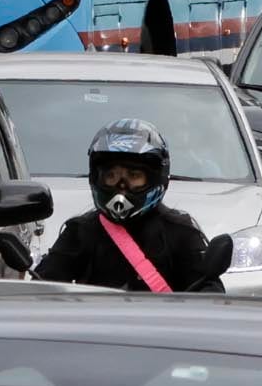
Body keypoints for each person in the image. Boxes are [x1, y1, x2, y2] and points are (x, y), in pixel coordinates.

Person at [30, 119, 228, 293]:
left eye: (133, 176)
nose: (121, 186)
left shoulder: (180, 232)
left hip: (162, 333)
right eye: (112, 176)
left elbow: (209, 295)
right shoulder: (81, 232)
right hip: (93, 333)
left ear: (155, 178)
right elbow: (41, 291)